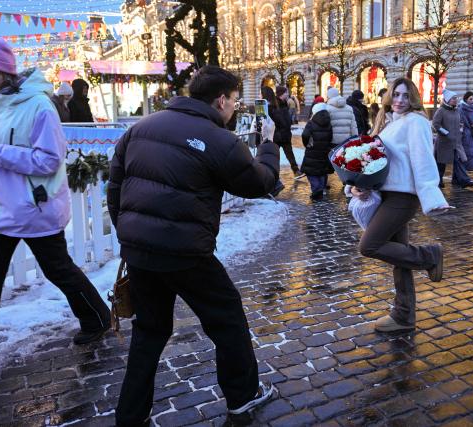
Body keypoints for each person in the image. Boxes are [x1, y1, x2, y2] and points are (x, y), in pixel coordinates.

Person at [0, 39, 111, 384]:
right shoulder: (2, 101)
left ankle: (97, 316)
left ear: (4, 68)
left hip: (33, 208)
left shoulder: (40, 106)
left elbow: (48, 160)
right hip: (1, 210)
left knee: (59, 270)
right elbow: (4, 151)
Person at [107, 65, 278, 426]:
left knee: (150, 330)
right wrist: (268, 145)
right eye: (233, 100)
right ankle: (243, 396)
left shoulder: (140, 128)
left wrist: (130, 233)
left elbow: (115, 186)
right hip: (186, 252)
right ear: (220, 100)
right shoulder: (219, 139)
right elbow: (257, 183)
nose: (233, 108)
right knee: (227, 317)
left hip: (140, 250)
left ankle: (130, 415)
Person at [351, 77, 451, 332]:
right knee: (399, 257)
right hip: (387, 194)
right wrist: (358, 185)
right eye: (396, 95)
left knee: (369, 246)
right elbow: (377, 163)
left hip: (402, 197)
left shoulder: (415, 122)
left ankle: (429, 255)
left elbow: (423, 159)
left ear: (414, 99)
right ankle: (404, 315)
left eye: (406, 96)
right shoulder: (389, 123)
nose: (399, 100)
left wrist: (431, 195)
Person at [432, 89, 473, 188]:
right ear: (448, 100)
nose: (456, 100)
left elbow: (460, 122)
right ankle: (438, 180)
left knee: (459, 161)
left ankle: (462, 180)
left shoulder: (456, 110)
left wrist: (461, 129)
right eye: (453, 98)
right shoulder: (441, 110)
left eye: (456, 98)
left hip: (456, 142)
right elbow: (435, 124)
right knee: (441, 164)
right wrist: (446, 133)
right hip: (444, 143)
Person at [264, 85, 300, 176]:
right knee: (275, 155)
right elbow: (274, 119)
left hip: (285, 134)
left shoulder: (284, 103)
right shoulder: (272, 105)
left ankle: (296, 171)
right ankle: (274, 173)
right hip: (277, 135)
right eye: (286, 92)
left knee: (290, 153)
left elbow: (285, 118)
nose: (287, 94)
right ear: (281, 94)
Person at [301, 100, 333, 200]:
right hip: (324, 150)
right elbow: (331, 136)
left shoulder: (311, 122)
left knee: (311, 171)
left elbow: (305, 135)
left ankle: (317, 190)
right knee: (322, 170)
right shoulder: (329, 122)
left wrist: (307, 144)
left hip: (313, 149)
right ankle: (321, 188)